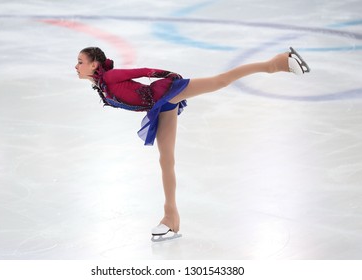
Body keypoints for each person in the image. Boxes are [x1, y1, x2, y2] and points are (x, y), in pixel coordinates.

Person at [75, 46, 310, 241]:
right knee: (166, 161)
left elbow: (145, 71)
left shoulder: (110, 77)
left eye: (80, 61)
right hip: (160, 106)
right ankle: (171, 218)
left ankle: (276, 63)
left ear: (95, 64)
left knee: (220, 81)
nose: (76, 66)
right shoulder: (101, 86)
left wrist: (170, 76)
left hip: (167, 92)